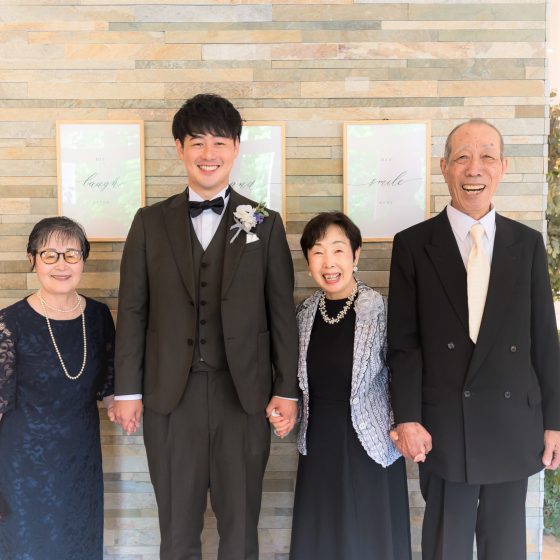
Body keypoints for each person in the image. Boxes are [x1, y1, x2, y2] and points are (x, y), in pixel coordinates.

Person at [111, 93, 299, 560]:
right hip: (170, 398)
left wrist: (286, 389)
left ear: (236, 148)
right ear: (180, 148)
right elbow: (132, 310)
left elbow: (281, 312)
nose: (208, 154)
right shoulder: (149, 222)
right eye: (197, 142)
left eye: (219, 142)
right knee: (177, 530)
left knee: (241, 530)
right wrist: (128, 390)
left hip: (244, 396)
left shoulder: (264, 222)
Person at [387, 118, 560, 560]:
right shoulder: (413, 245)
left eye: (487, 157)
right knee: (445, 547)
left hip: (512, 423)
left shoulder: (527, 244)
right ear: (444, 167)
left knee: (505, 548)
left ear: (503, 167)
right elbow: (404, 344)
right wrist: (407, 418)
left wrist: (555, 421)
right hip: (444, 425)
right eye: (462, 157)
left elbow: (544, 338)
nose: (474, 168)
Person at [271, 211, 411, 560]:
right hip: (319, 446)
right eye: (318, 252)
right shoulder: (304, 314)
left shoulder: (380, 310)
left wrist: (408, 422)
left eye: (338, 250)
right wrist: (286, 411)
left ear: (355, 254)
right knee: (323, 540)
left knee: (368, 543)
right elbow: (297, 383)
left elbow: (404, 372)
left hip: (371, 446)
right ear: (308, 262)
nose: (328, 262)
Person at [0, 216, 115, 560]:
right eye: (49, 254)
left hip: (81, 460)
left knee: (79, 544)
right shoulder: (10, 322)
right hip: (23, 464)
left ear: (83, 260)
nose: (61, 264)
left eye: (71, 254)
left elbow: (110, 384)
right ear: (32, 259)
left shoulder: (98, 316)